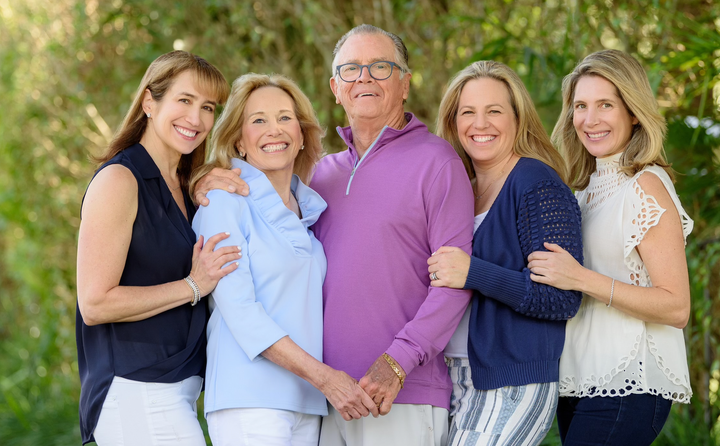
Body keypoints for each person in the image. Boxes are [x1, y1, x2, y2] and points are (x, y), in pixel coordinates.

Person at [194, 24, 475, 445]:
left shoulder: (438, 162)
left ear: (404, 84)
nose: (364, 77)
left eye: (380, 67)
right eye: (351, 69)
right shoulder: (319, 179)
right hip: (324, 399)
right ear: (335, 88)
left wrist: (396, 364)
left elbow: (454, 284)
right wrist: (203, 180)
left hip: (401, 395)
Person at [190, 73, 380, 445]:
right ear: (239, 142)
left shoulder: (307, 210)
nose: (273, 130)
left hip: (307, 403)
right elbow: (242, 313)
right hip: (250, 400)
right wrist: (326, 377)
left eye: (284, 118)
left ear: (301, 134)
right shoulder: (222, 202)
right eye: (258, 120)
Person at [527, 49, 693, 445]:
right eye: (581, 106)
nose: (590, 119)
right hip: (581, 381)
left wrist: (580, 278)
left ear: (633, 112)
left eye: (606, 105)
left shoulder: (645, 184)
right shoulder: (581, 191)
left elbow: (677, 306)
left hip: (630, 384)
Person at [75, 51, 240, 445]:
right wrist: (193, 285)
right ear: (150, 102)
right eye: (184, 101)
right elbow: (95, 303)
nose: (196, 119)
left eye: (207, 107)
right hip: (134, 389)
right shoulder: (120, 179)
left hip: (178, 389)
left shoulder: (185, 187)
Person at [430, 60, 584, 445]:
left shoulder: (535, 183)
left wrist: (473, 273)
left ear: (518, 119)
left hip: (514, 379)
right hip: (453, 376)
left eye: (494, 111)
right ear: (453, 121)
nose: (480, 124)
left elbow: (560, 298)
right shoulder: (459, 189)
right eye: (468, 112)